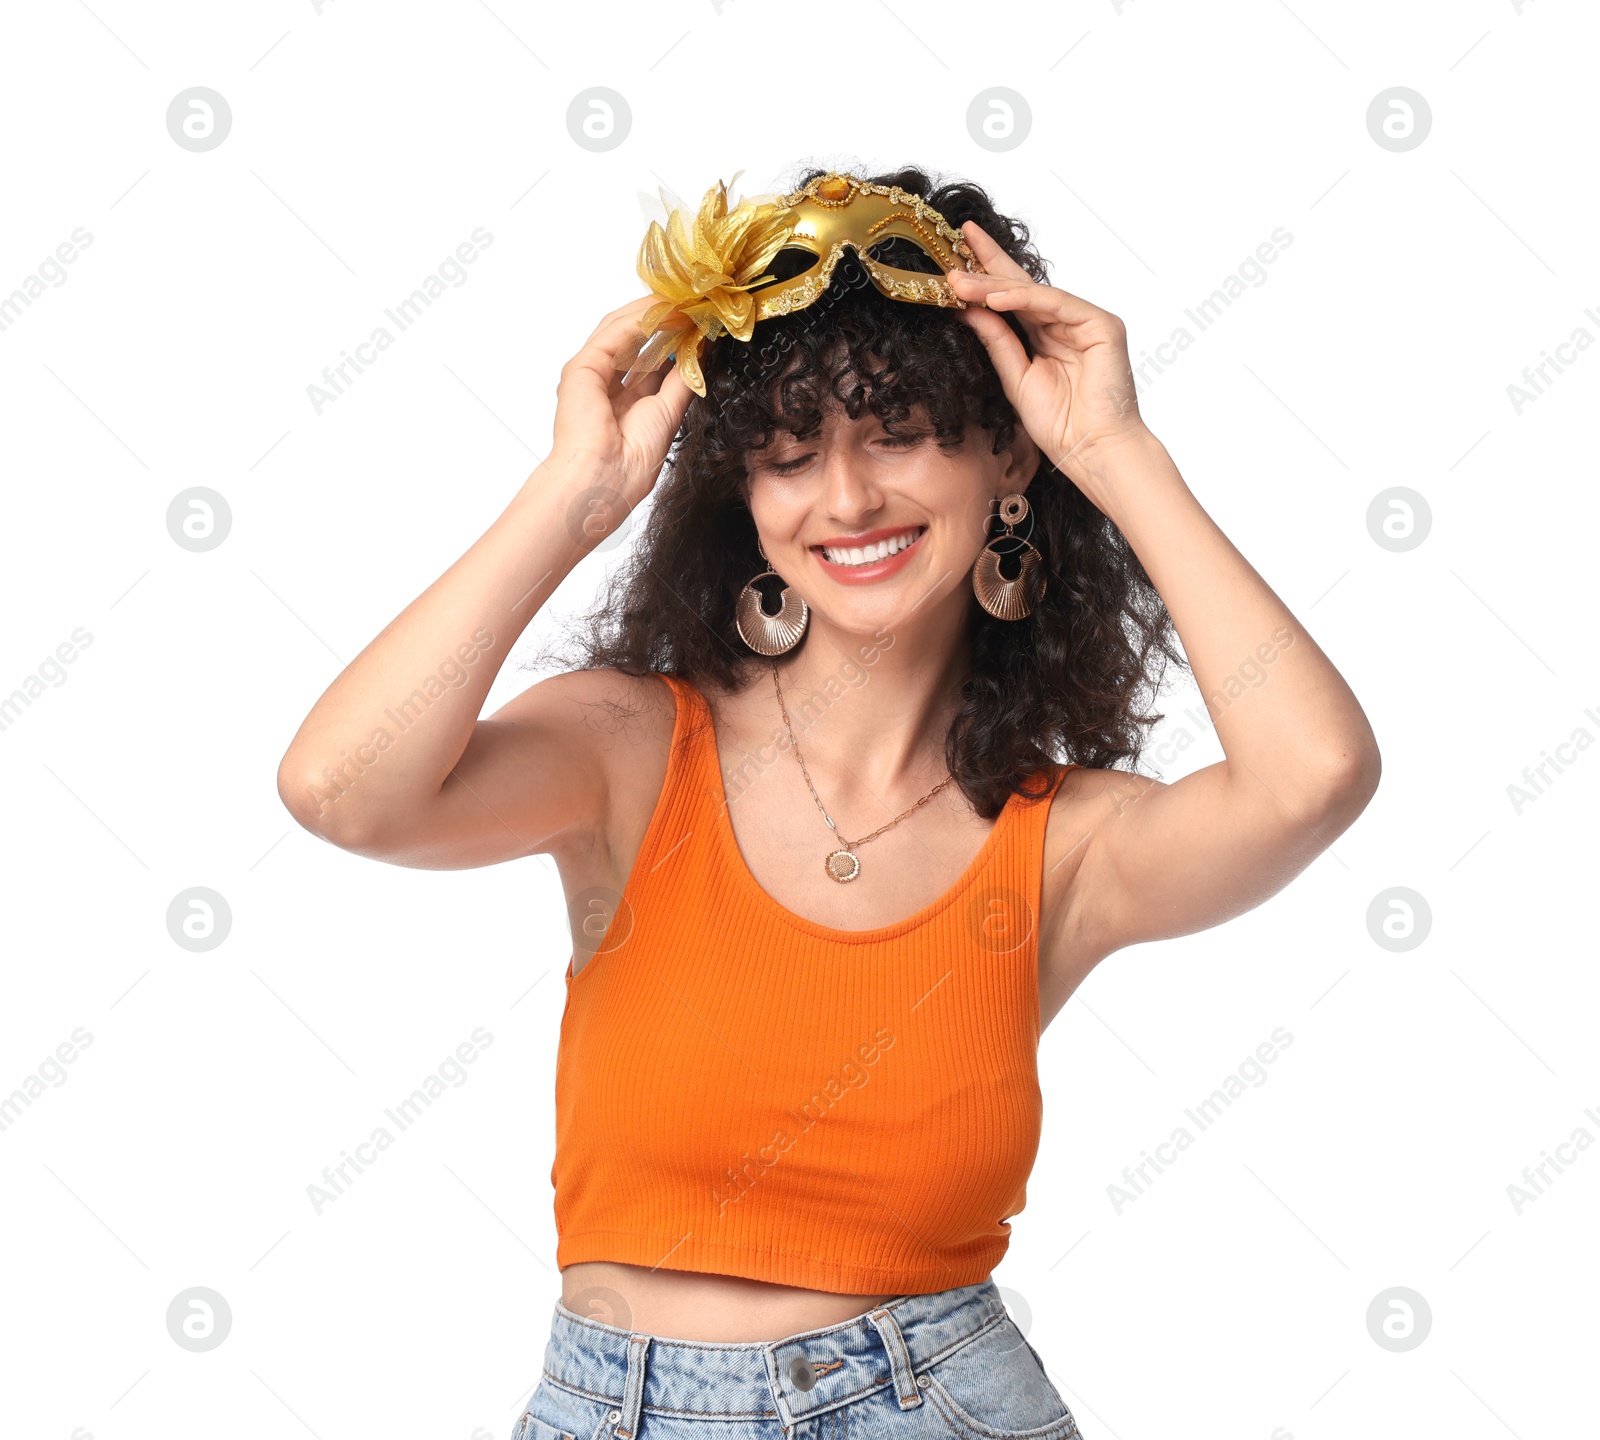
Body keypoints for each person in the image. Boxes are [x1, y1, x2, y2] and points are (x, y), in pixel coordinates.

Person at [276, 165, 1381, 1440]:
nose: (846, 500)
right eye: (788, 456)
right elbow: (338, 791)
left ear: (1004, 451)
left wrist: (1114, 451)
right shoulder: (630, 748)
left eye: (898, 433)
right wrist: (573, 497)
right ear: (743, 497)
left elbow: (1316, 775)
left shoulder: (1064, 839)